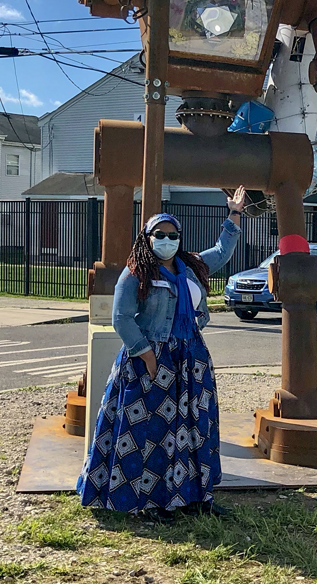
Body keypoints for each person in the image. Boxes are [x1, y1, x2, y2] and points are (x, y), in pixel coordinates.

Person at [77, 187, 247, 523]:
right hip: (149, 362)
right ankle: (145, 502)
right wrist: (145, 354)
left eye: (172, 235)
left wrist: (234, 214)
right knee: (148, 431)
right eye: (160, 235)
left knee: (195, 427)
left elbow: (222, 252)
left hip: (190, 360)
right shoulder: (136, 272)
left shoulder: (191, 266)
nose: (167, 240)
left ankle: (195, 496)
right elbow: (121, 317)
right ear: (148, 237)